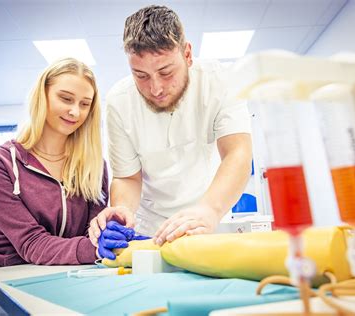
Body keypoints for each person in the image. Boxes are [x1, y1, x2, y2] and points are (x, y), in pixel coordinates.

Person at [89, 5, 252, 252]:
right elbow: (127, 177)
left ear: (187, 54)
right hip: (149, 230)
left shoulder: (221, 81)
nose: (155, 88)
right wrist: (122, 209)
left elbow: (237, 153)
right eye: (140, 75)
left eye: (166, 72)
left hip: (206, 217)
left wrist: (209, 210)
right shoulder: (118, 101)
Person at [0, 57, 108, 315]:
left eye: (85, 104)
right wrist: (97, 248)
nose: (75, 112)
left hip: (68, 282)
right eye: (66, 98)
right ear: (42, 96)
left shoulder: (94, 166)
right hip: (0, 286)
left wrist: (108, 234)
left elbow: (93, 232)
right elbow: (32, 244)